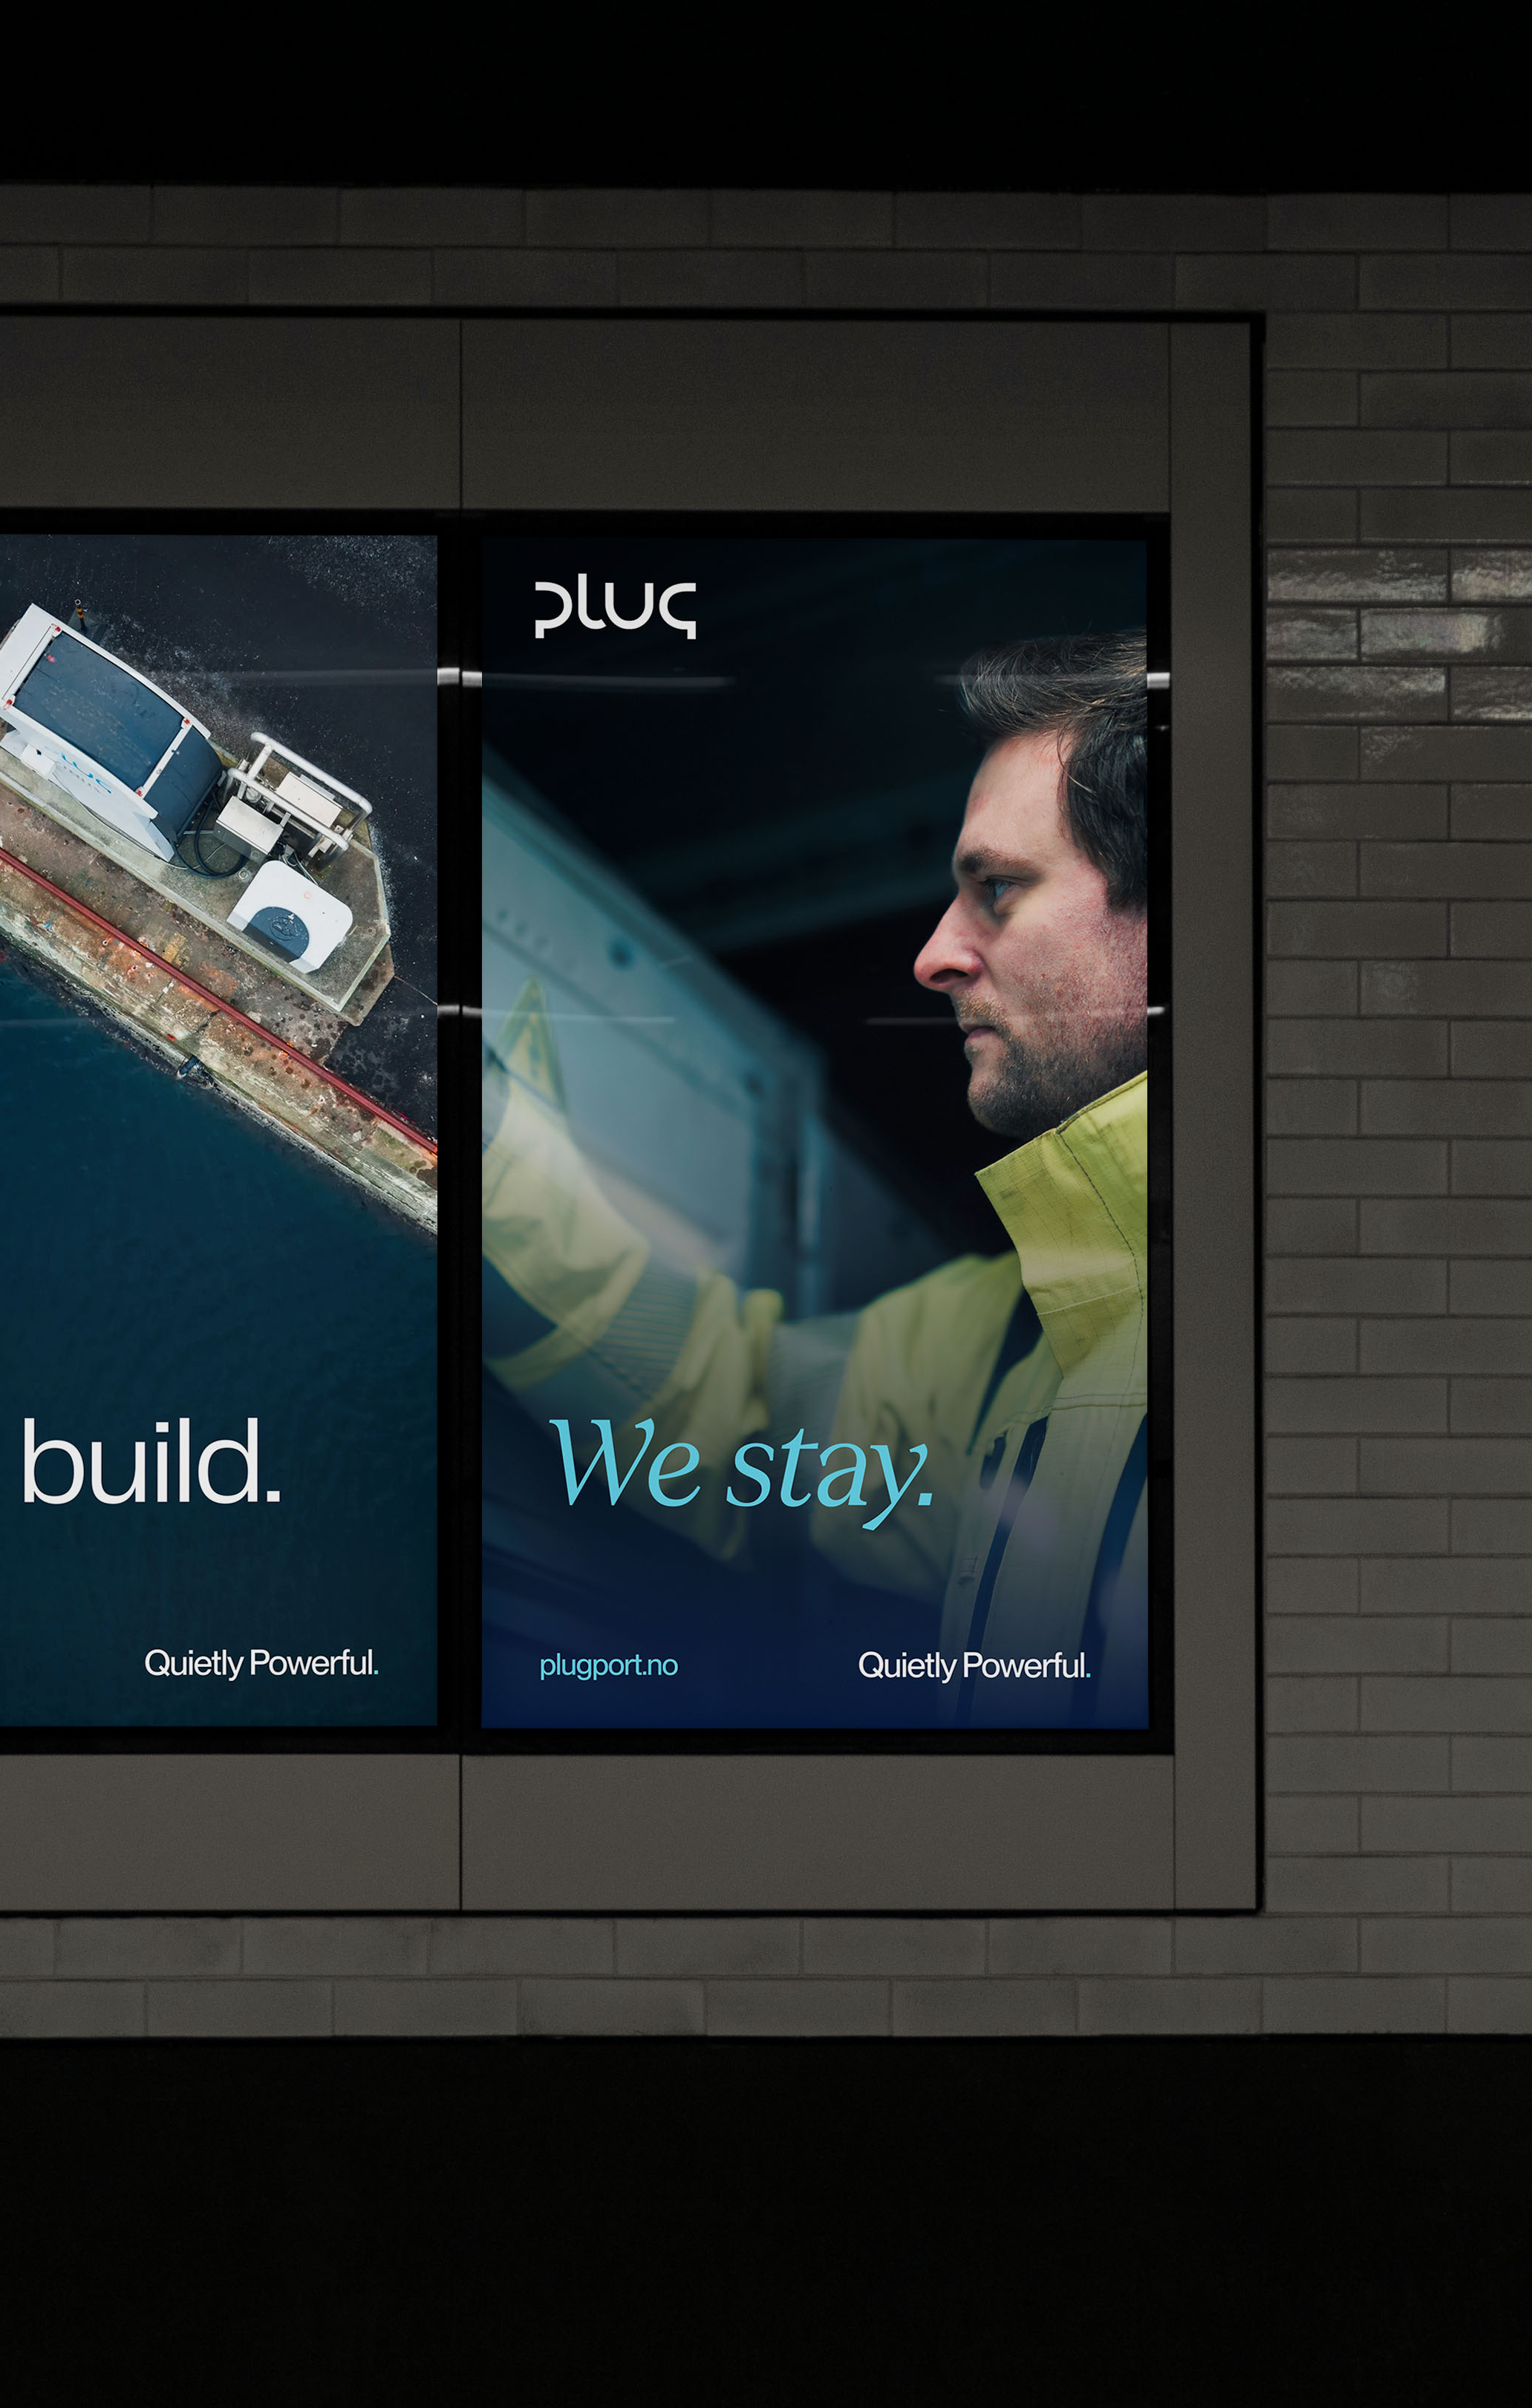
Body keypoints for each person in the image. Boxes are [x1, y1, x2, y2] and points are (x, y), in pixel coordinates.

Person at [480, 634, 1155, 1727]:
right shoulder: (1014, 1339)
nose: (935, 954)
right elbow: (732, 1418)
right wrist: (483, 1142)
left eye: (998, 890)